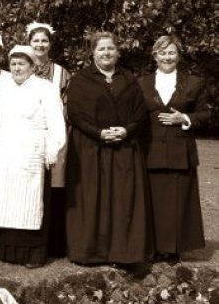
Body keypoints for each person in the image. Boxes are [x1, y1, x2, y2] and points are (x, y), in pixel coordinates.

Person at [65, 32, 150, 266]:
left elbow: (140, 113)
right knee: (93, 199)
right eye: (101, 49)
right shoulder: (81, 80)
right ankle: (92, 252)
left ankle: (124, 253)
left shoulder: (129, 79)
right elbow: (75, 113)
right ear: (93, 53)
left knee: (123, 200)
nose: (106, 53)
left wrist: (126, 130)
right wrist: (99, 133)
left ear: (118, 52)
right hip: (91, 149)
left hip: (124, 148)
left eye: (111, 48)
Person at [0, 45, 66, 267]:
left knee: (28, 202)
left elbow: (56, 123)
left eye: (22, 64)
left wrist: (52, 149)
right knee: (1, 201)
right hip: (3, 149)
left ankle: (32, 253)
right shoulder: (2, 86)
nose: (17, 68)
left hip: (31, 151)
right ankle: (1, 251)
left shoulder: (45, 88)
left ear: (32, 66)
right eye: (13, 64)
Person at [139, 35, 209, 261]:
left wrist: (185, 118)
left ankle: (173, 249)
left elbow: (206, 114)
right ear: (154, 56)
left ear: (178, 56)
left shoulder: (194, 82)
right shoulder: (142, 83)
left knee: (176, 203)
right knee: (153, 202)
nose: (167, 57)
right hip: (151, 152)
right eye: (162, 53)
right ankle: (154, 247)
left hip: (181, 152)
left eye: (171, 53)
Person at [27, 22, 71, 256]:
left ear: (50, 44)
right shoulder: (22, 69)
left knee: (54, 187)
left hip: (54, 134)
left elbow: (67, 105)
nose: (40, 45)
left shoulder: (61, 73)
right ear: (29, 43)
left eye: (44, 41)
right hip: (29, 136)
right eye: (36, 41)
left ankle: (54, 243)